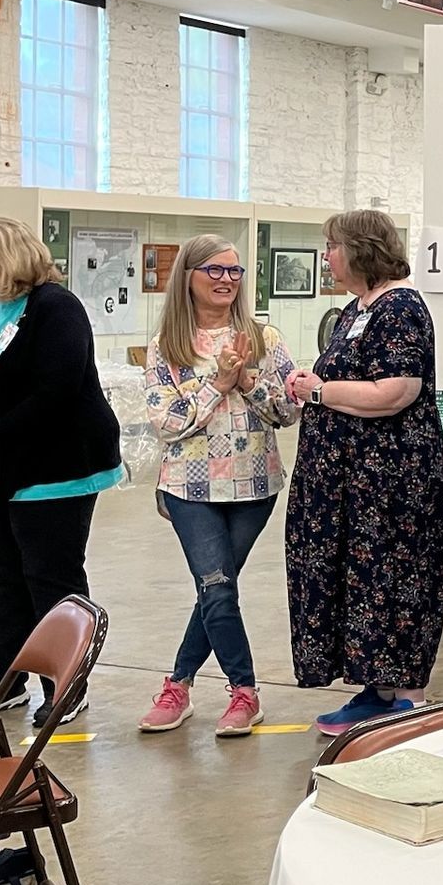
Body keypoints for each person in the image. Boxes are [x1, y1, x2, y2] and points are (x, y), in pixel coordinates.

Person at [0, 217, 122, 727]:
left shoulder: (56, 308)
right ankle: (5, 681)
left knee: (52, 578)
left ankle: (66, 686)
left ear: (3, 259)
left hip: (53, 464)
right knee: (7, 575)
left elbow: (56, 390)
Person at [285, 209, 443, 735]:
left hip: (389, 486)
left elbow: (396, 392)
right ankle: (375, 688)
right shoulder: (359, 309)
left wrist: (318, 390)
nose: (327, 257)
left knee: (395, 577)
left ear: (360, 249)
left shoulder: (399, 306)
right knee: (361, 581)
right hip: (352, 484)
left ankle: (406, 697)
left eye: (332, 246)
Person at [138, 236, 298, 739]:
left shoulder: (265, 339)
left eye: (234, 271)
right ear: (188, 275)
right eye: (214, 270)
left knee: (216, 590)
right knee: (217, 587)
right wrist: (218, 384)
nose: (226, 279)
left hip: (254, 486)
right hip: (190, 489)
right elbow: (167, 422)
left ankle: (179, 684)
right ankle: (244, 692)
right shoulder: (167, 346)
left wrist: (248, 382)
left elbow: (289, 411)